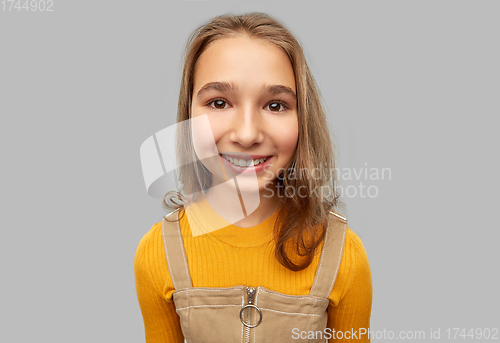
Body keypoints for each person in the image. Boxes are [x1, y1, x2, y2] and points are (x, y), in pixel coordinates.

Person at [135, 12, 372, 342]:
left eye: (275, 105)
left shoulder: (343, 253)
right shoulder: (158, 252)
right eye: (219, 102)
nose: (246, 135)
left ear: (302, 118)